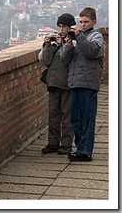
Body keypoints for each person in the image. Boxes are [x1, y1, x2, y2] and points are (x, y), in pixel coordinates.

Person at [60, 7, 104, 162]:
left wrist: (78, 37)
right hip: (75, 82)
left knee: (87, 119)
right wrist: (69, 47)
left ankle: (85, 151)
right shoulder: (76, 38)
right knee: (76, 120)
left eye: (86, 22)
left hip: (88, 84)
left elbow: (91, 51)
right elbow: (65, 60)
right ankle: (80, 149)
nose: (83, 25)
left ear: (94, 22)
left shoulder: (96, 37)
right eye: (81, 22)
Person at [39, 13, 75, 155]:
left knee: (67, 116)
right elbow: (46, 61)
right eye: (59, 26)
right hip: (53, 83)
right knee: (53, 115)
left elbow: (68, 60)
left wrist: (65, 45)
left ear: (70, 27)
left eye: (64, 26)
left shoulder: (74, 42)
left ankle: (66, 145)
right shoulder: (56, 44)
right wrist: (48, 45)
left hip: (67, 84)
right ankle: (53, 143)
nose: (61, 29)